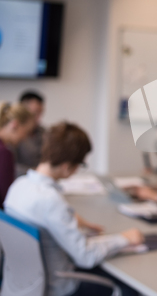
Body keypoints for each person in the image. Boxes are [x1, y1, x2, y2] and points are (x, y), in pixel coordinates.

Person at [4, 122, 144, 296]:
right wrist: (124, 238)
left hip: (24, 284)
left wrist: (72, 220)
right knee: (130, 289)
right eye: (80, 164)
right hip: (59, 287)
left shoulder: (18, 185)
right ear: (67, 166)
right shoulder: (51, 201)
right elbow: (85, 257)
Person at [0, 102, 34, 208]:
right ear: (15, 124)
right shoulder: (4, 152)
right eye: (26, 132)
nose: (25, 138)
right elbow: (7, 199)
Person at [14, 90, 46, 177]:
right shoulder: (14, 134)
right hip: (21, 179)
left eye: (40, 113)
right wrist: (37, 171)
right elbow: (11, 166)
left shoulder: (43, 132)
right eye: (35, 113)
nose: (38, 118)